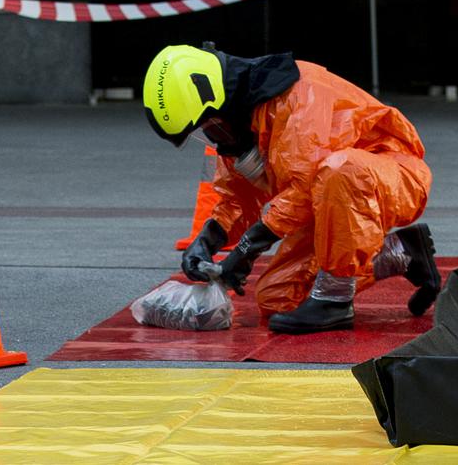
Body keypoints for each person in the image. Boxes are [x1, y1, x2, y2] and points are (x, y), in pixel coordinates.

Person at [142, 43, 439, 334]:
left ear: (216, 100)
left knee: (339, 170)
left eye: (207, 124)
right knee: (277, 297)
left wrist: (248, 248)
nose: (208, 134)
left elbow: (303, 185)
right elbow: (240, 198)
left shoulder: (299, 94)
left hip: (391, 177)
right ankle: (402, 252)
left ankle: (334, 301)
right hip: (329, 201)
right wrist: (209, 239)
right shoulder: (238, 121)